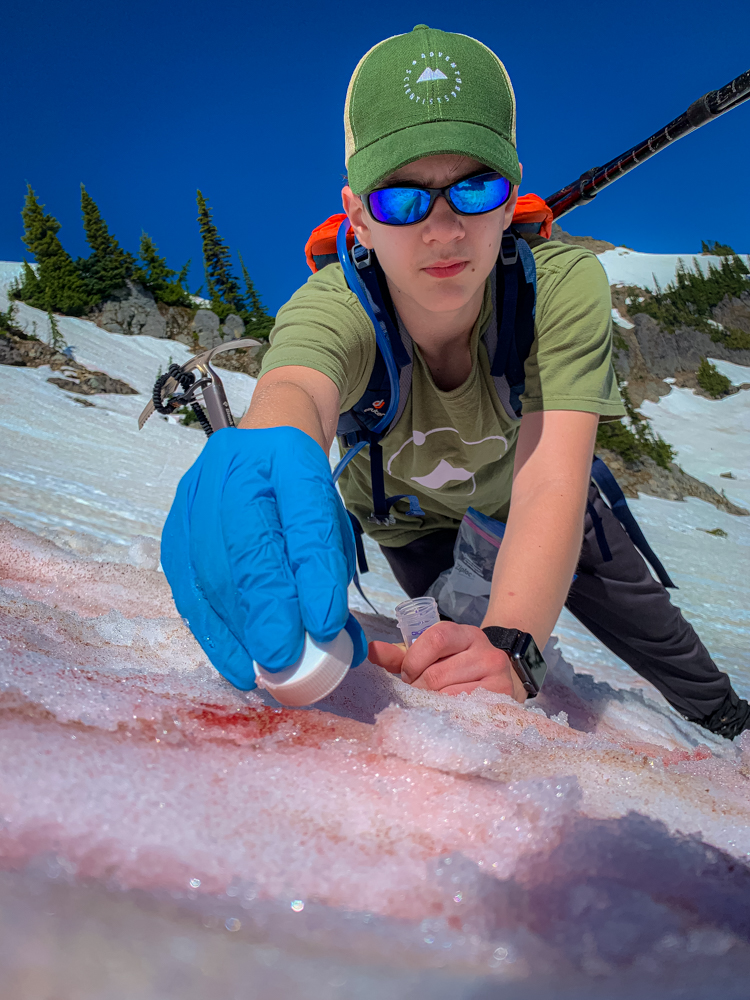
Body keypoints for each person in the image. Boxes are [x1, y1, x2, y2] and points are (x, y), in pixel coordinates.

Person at [162, 25, 750, 739]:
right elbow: (296, 391)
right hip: (411, 525)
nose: (442, 229)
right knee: (445, 663)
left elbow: (551, 483)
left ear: (510, 202)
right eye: (402, 200)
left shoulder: (559, 290)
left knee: (672, 655)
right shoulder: (333, 308)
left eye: (475, 189)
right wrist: (266, 446)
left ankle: (728, 728)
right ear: (357, 219)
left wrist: (514, 647)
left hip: (534, 492)